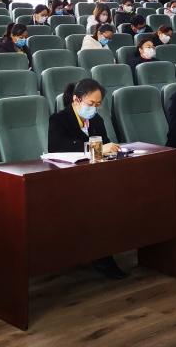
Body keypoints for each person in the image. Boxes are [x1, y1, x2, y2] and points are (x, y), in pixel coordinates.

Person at [46, 80, 126, 279]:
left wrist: (112, 148)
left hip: (94, 176)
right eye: (91, 103)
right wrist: (94, 148)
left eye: (98, 104)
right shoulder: (59, 119)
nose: (94, 108)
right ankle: (101, 257)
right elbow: (57, 147)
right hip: (67, 178)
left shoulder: (96, 120)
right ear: (76, 99)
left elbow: (105, 143)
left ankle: (103, 251)